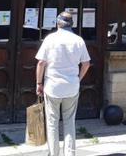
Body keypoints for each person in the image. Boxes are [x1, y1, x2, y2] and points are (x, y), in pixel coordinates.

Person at [35, 11, 90, 156]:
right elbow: (86, 64)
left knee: (52, 123)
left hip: (52, 86)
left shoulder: (50, 39)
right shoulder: (79, 40)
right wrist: (78, 79)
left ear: (57, 23)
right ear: (72, 24)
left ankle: (54, 154)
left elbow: (41, 63)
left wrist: (39, 83)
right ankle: (70, 154)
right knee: (69, 122)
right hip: (71, 86)